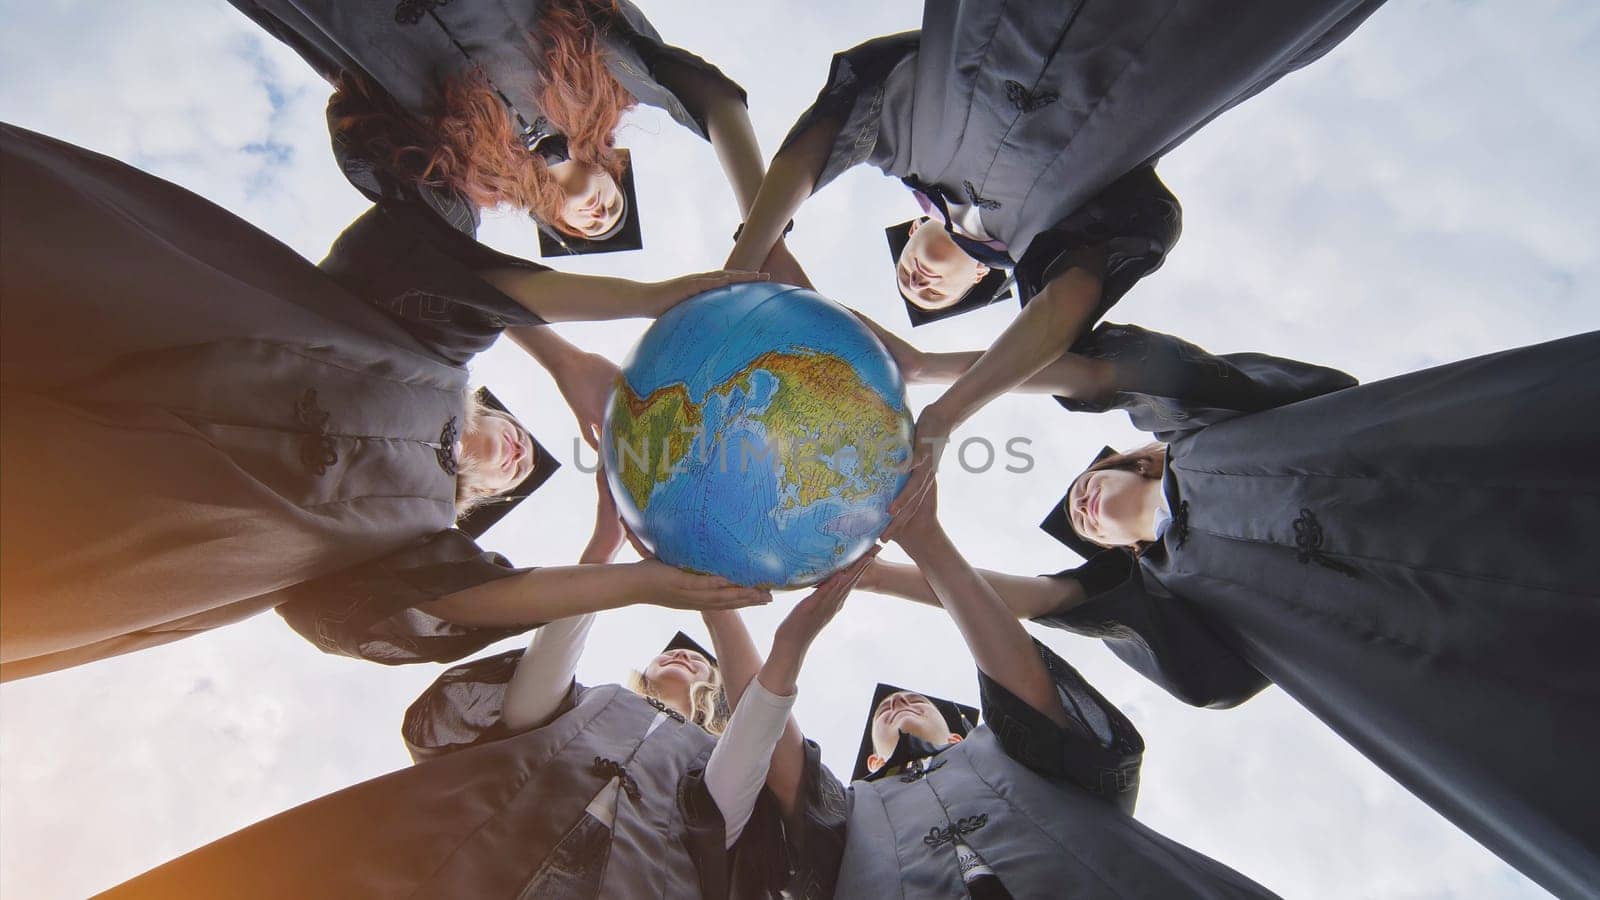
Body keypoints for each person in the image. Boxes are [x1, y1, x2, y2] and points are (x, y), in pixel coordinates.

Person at [0, 125, 766, 681]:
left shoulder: (412, 537)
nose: (514, 456)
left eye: (509, 478)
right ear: (491, 408)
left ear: (480, 502)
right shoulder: (426, 350)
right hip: (155, 306)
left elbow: (473, 599)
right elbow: (471, 285)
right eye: (520, 440)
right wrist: (629, 311)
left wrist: (640, 585)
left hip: (150, 522)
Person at [867, 325, 1600, 899]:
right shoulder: (1175, 595)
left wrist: (931, 367)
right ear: (1114, 558)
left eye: (1089, 482)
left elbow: (1102, 373)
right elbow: (1034, 600)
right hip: (1461, 658)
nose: (1084, 505)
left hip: (1492, 470)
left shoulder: (1216, 430)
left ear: (1137, 454)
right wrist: (878, 571)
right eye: (1083, 526)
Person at [725, 0, 1386, 531]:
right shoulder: (1055, 233)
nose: (918, 281)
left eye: (908, 278)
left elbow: (821, 135)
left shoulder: (908, 143)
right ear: (992, 277)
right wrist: (941, 405)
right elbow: (1065, 316)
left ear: (925, 222)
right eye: (926, 296)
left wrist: (742, 264)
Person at [98, 487, 869, 899]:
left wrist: (783, 644)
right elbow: (532, 705)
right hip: (465, 849)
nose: (694, 669)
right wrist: (603, 552)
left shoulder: (708, 755)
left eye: (706, 675)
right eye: (691, 661)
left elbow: (733, 789)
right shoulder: (592, 702)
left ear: (710, 700)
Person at [232, 0, 794, 446]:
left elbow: (468, 278)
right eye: (614, 207)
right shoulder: (603, 74)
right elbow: (715, 99)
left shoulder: (462, 178)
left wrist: (613, 325)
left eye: (588, 227)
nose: (600, 215)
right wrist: (763, 235)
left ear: (552, 221)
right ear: (614, 171)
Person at [719, 477, 1277, 898]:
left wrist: (925, 539)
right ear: (868, 760)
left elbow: (1023, 688)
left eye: (913, 702)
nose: (899, 702)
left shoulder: (1012, 750)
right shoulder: (843, 811)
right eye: (893, 710)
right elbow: (762, 746)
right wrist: (716, 606)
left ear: (964, 736)